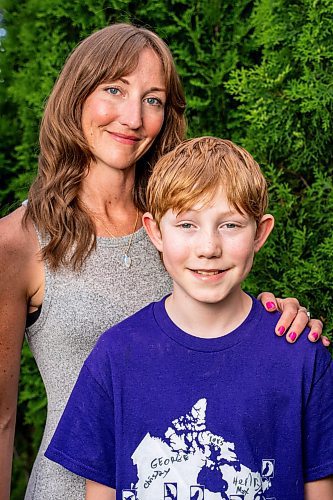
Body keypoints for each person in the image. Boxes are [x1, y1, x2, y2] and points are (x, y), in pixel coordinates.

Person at [0, 24, 325, 500]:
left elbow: (227, 332)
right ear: (75, 96)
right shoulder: (18, 241)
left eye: (152, 99)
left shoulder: (183, 225)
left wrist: (281, 321)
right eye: (114, 89)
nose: (132, 117)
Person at [45, 137, 333, 499]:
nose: (209, 247)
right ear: (154, 231)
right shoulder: (116, 356)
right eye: (186, 225)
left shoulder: (302, 357)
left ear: (260, 233)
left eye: (230, 225)